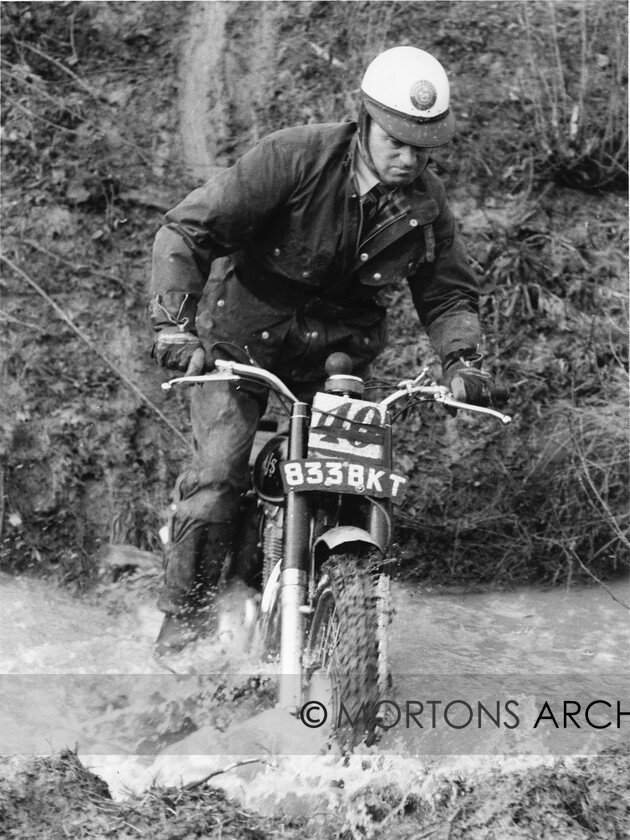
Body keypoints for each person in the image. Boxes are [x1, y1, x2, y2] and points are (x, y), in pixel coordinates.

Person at [149, 46, 500, 655]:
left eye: (423, 145)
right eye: (397, 140)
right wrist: (178, 328)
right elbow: (188, 231)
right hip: (242, 348)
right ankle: (183, 635)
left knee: (349, 487)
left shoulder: (426, 206)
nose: (409, 157)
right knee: (218, 476)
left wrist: (461, 360)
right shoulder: (294, 159)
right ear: (364, 119)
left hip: (338, 364)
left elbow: (446, 295)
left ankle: (330, 637)